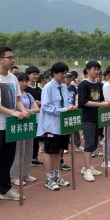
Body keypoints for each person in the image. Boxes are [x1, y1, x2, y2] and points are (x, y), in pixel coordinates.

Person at [0, 47, 30, 210]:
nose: (13, 60)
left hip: (10, 125)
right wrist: (12, 112)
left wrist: (22, 109)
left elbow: (17, 99)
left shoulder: (12, 78)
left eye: (13, 57)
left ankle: (5, 189)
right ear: (0, 59)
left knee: (7, 159)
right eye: (9, 57)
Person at [37, 63, 75, 191]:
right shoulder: (48, 87)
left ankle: (56, 175)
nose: (64, 76)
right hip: (51, 125)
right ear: (54, 73)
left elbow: (68, 101)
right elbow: (46, 106)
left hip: (63, 125)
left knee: (58, 151)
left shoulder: (64, 87)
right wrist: (64, 109)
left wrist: (71, 107)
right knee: (49, 152)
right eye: (62, 73)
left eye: (65, 73)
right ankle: (48, 178)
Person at [78, 61, 110, 182]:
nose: (97, 72)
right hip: (87, 117)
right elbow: (84, 102)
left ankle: (88, 166)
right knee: (89, 142)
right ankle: (87, 169)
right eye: (94, 69)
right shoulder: (83, 84)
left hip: (97, 117)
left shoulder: (99, 85)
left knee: (95, 142)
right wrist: (101, 104)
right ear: (87, 70)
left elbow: (102, 99)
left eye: (98, 69)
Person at [10, 73, 40, 186]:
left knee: (28, 150)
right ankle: (14, 175)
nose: (24, 83)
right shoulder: (13, 95)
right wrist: (25, 111)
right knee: (18, 151)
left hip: (28, 125)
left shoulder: (28, 95)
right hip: (17, 125)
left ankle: (25, 173)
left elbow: (37, 109)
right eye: (21, 81)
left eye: (25, 81)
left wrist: (26, 112)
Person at [24, 66, 44, 166]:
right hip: (28, 117)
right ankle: (28, 159)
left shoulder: (39, 89)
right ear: (28, 75)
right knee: (29, 139)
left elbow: (43, 101)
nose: (36, 76)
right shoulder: (25, 89)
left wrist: (40, 103)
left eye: (37, 74)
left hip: (38, 116)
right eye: (33, 74)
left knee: (36, 138)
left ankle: (34, 157)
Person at [65, 73, 84, 152]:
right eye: (67, 77)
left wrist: (76, 105)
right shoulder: (62, 88)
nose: (69, 79)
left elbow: (76, 97)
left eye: (70, 77)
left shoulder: (72, 87)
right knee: (65, 128)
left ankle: (78, 145)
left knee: (75, 127)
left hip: (74, 109)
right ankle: (64, 146)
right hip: (65, 110)